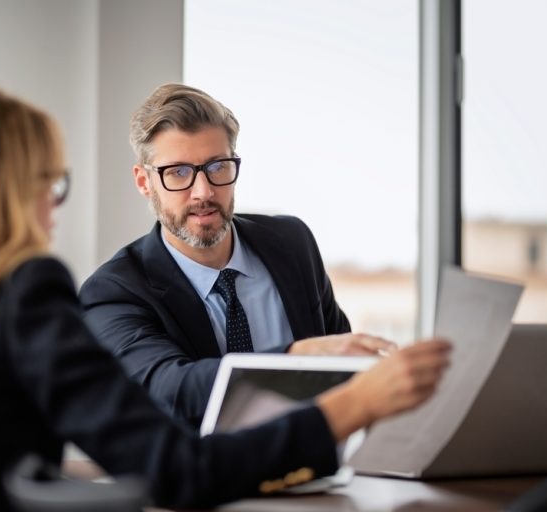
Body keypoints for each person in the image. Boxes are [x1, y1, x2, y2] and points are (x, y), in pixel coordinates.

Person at [0, 81, 450, 511]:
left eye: (218, 168)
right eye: (47, 187)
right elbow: (177, 470)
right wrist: (352, 404)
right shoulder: (33, 294)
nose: (51, 214)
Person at [79, 83, 406, 426]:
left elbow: (341, 366)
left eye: (217, 166)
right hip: (207, 477)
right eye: (178, 172)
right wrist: (295, 358)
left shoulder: (292, 244)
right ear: (144, 182)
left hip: (318, 467)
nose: (203, 192)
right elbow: (170, 389)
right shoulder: (113, 291)